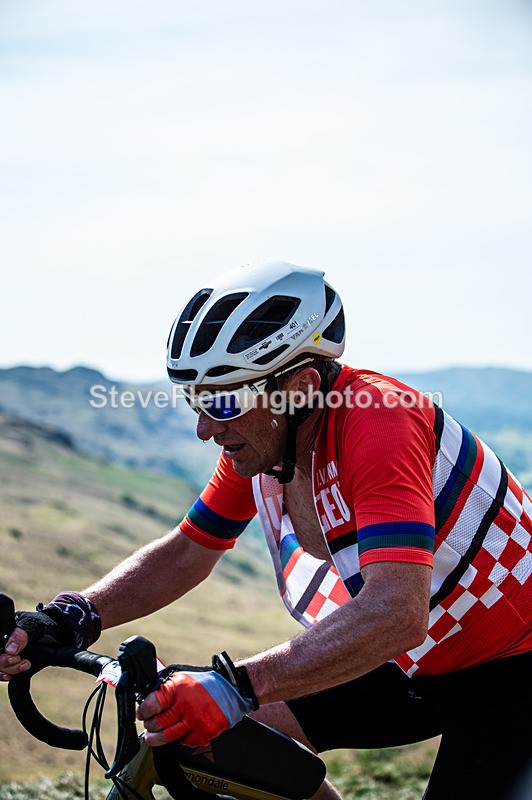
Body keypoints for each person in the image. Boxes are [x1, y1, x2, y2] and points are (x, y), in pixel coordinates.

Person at [1, 261, 531, 800]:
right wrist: (71, 616)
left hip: (514, 667)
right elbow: (188, 551)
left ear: (299, 388)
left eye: (224, 402)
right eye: (196, 401)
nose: (205, 429)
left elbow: (396, 612)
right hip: (409, 662)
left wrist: (237, 687)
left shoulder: (379, 421)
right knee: (201, 740)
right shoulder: (267, 442)